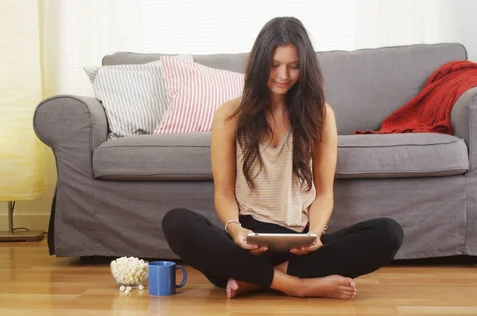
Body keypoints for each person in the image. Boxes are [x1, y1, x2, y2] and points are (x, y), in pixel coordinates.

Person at [161, 16, 404, 300]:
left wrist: (314, 234)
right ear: (260, 62)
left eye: (294, 66)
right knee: (176, 222)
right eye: (274, 65)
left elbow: (324, 193)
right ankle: (295, 284)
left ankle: (257, 280)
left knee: (388, 233)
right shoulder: (230, 115)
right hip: (246, 247)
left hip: (298, 245)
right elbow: (224, 194)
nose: (283, 75)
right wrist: (236, 230)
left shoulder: (321, 115)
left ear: (306, 67)